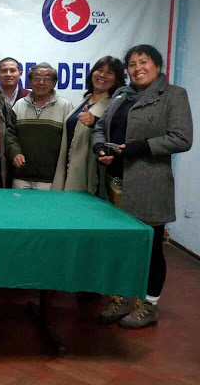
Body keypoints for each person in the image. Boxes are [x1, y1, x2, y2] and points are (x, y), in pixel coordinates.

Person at [92, 44, 192, 329]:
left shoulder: (173, 95)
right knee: (120, 245)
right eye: (132, 64)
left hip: (149, 185)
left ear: (157, 66)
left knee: (150, 248)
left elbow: (182, 138)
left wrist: (141, 147)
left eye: (144, 62)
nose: (137, 68)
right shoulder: (121, 95)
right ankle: (122, 299)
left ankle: (149, 306)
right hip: (113, 182)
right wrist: (100, 146)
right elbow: (100, 126)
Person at [52, 56, 125, 192]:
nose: (102, 75)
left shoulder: (116, 104)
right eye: (99, 70)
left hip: (92, 170)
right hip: (69, 166)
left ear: (117, 79)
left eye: (109, 73)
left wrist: (95, 122)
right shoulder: (85, 99)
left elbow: (119, 133)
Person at [5, 63, 73, 190]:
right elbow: (10, 134)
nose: (41, 82)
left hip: (51, 179)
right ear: (30, 82)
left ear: (54, 83)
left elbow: (70, 141)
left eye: (47, 78)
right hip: (21, 176)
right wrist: (15, 153)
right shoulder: (19, 105)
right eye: (36, 78)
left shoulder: (65, 106)